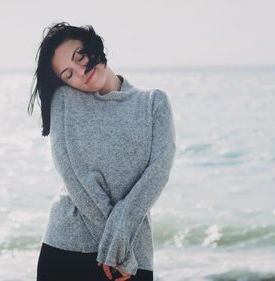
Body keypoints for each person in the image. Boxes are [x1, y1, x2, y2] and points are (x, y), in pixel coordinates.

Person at [28, 22, 176, 281]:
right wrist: (117, 249)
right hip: (69, 249)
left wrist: (120, 244)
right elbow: (75, 178)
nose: (80, 71)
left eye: (80, 56)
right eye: (68, 74)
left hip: (132, 252)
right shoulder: (65, 101)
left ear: (94, 44)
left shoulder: (154, 103)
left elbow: (157, 174)